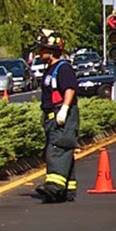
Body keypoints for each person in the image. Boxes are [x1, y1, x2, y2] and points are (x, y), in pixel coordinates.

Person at [33, 29, 79, 203]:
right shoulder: (51, 68)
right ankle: (67, 190)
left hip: (61, 114)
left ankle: (54, 187)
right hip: (52, 116)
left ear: (52, 51)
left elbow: (69, 89)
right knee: (63, 151)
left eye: (42, 49)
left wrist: (64, 109)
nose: (39, 52)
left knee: (57, 149)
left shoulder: (63, 68)